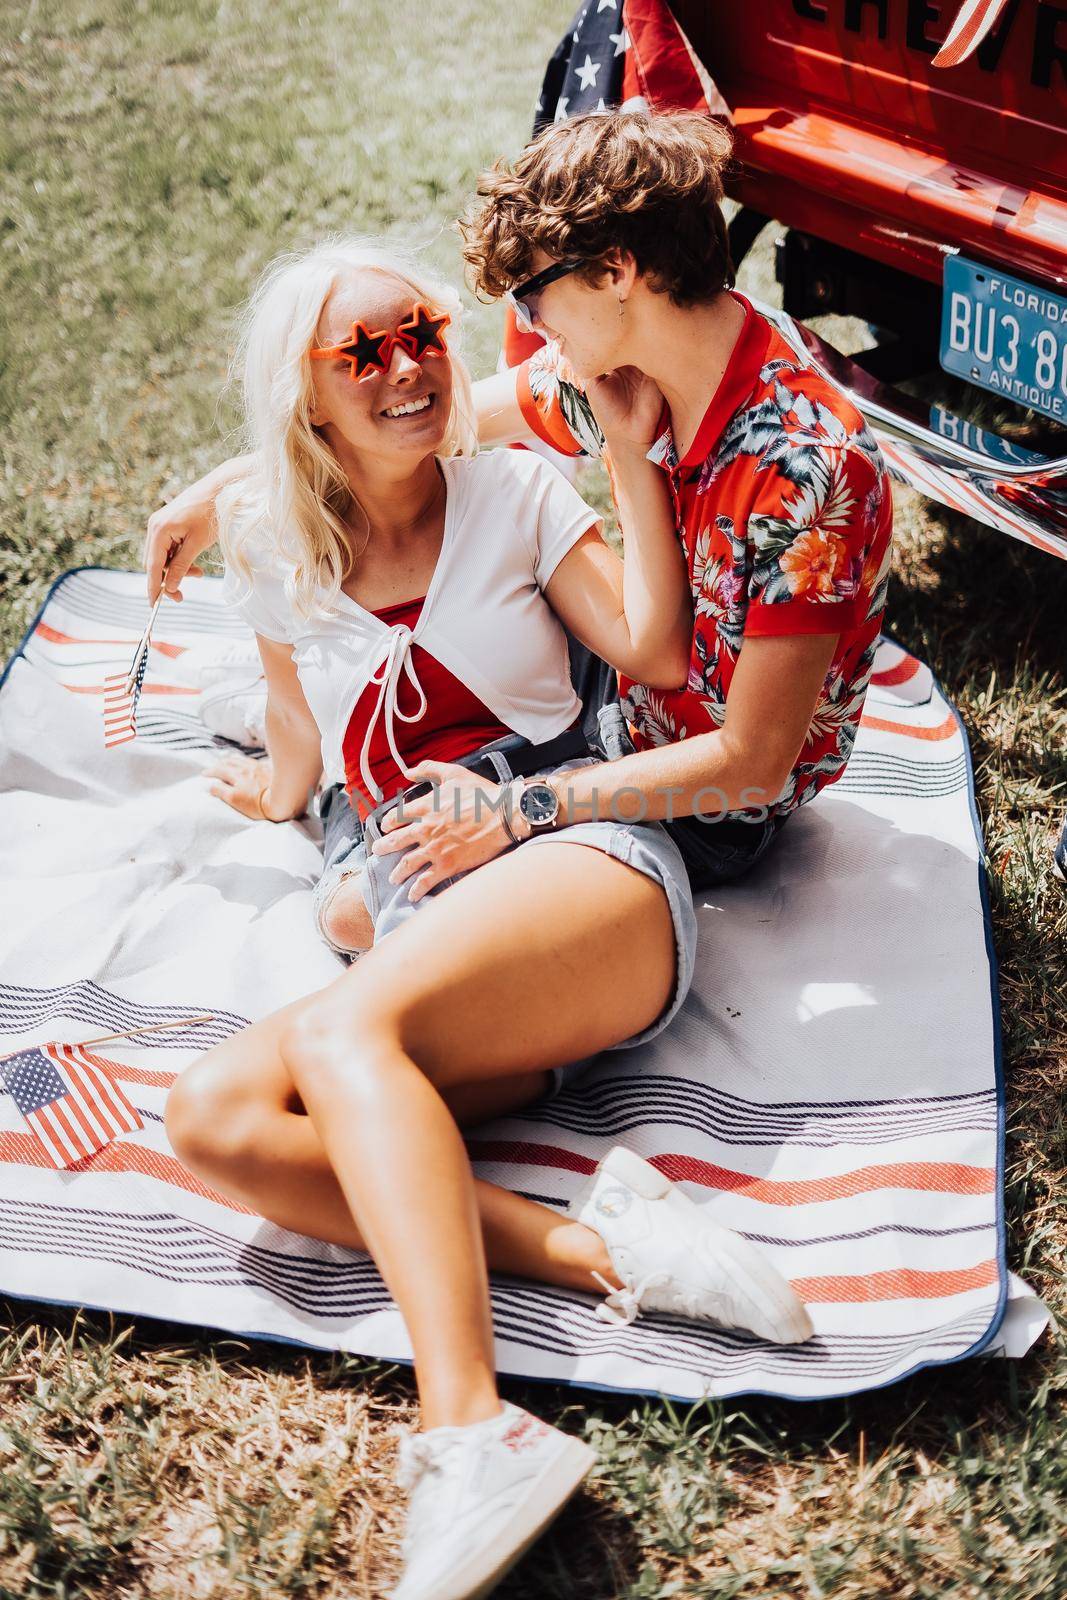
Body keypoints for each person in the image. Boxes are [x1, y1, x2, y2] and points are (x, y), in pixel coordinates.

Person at [162, 235, 813, 1600]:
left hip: (580, 860)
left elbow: (644, 648)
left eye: (420, 332)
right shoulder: (278, 551)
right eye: (363, 353)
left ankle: (468, 1426)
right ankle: (598, 1242)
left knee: (343, 1048)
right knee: (216, 1123)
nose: (406, 367)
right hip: (424, 922)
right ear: (309, 396)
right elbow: (307, 739)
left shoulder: (515, 491)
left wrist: (623, 450)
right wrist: (268, 794)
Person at [145, 110, 894, 915]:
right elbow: (434, 422)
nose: (529, 328)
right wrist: (221, 492)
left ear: (613, 272)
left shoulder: (807, 471)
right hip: (612, 690)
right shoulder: (630, 360)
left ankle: (318, 774)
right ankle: (282, 722)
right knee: (358, 636)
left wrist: (519, 811)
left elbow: (753, 765)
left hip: (695, 796)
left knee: (407, 888)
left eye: (533, 296)